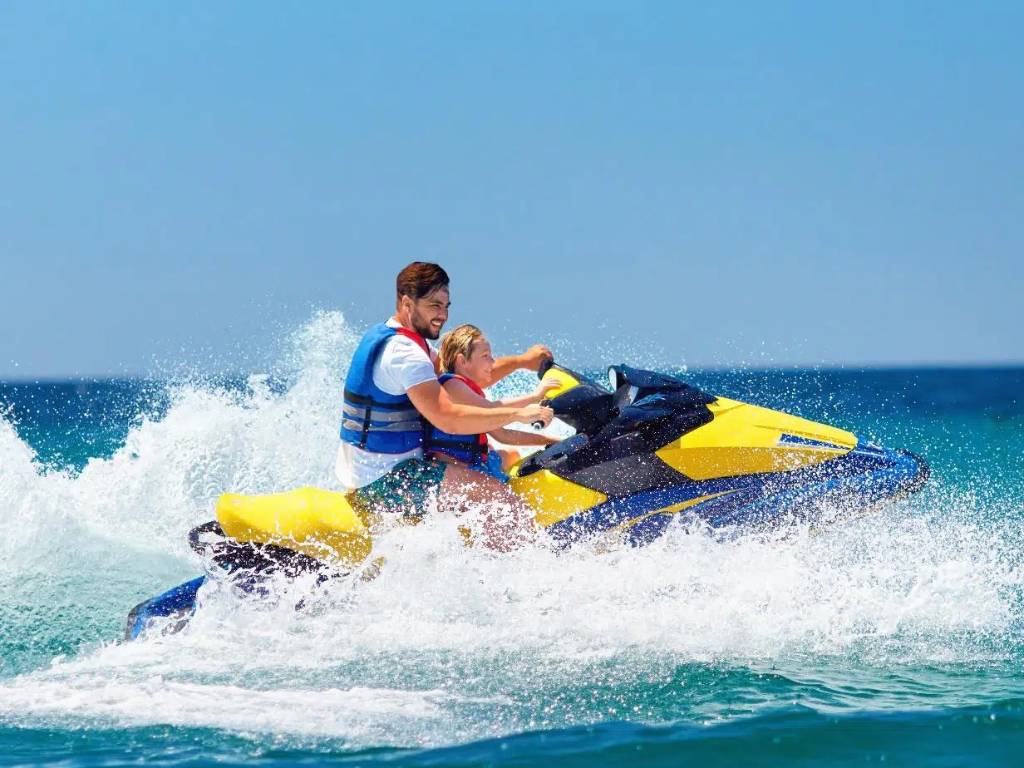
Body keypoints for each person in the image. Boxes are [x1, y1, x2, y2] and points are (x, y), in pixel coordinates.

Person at [336, 262, 554, 551]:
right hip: (385, 483)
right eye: (434, 305)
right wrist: (519, 413)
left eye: (446, 306)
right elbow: (448, 417)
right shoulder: (404, 354)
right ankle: (523, 571)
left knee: (502, 457)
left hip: (383, 470)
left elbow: (464, 377)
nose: (443, 315)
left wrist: (522, 361)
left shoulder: (409, 343)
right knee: (494, 493)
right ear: (407, 303)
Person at [428, 324, 561, 478]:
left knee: (511, 454)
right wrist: (531, 401)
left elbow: (503, 433)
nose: (492, 362)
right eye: (486, 356)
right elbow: (493, 413)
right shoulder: (453, 386)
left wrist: (554, 441)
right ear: (462, 361)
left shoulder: (466, 389)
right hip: (460, 471)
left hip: (475, 461)